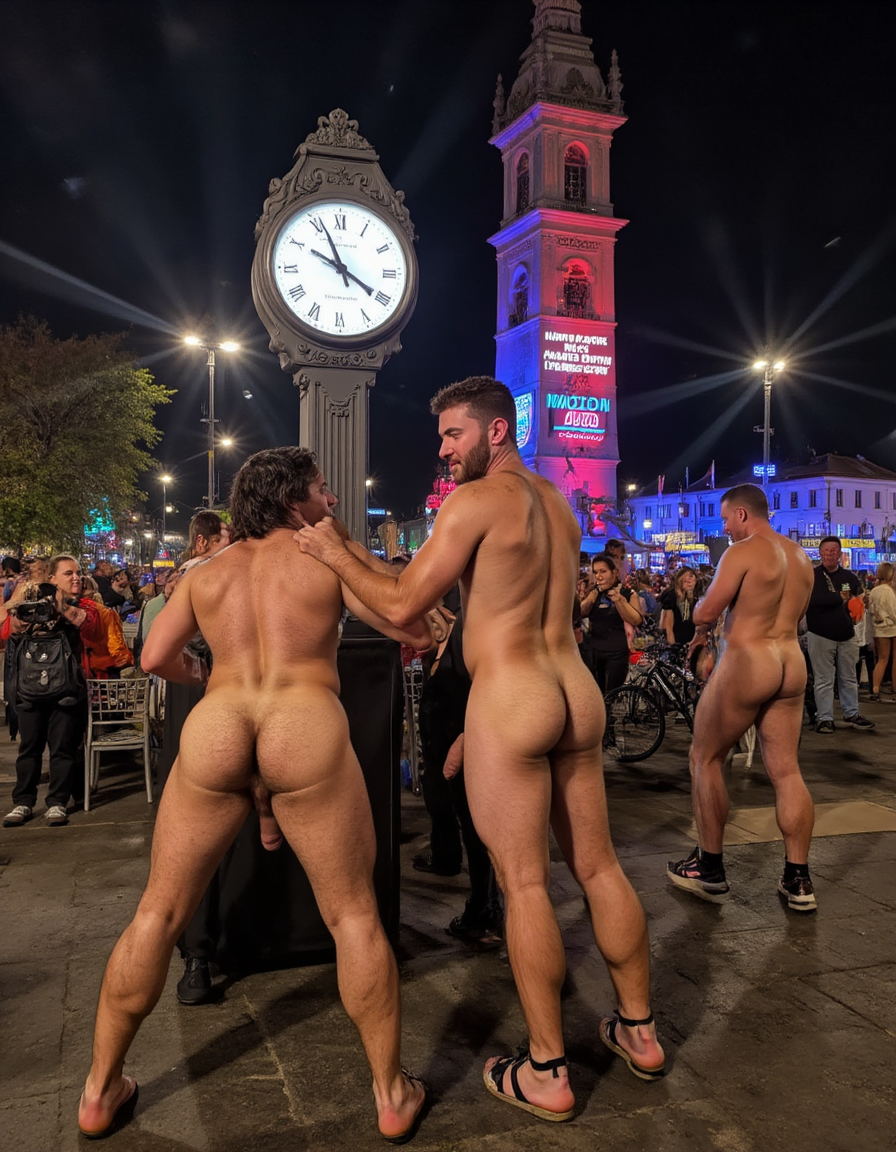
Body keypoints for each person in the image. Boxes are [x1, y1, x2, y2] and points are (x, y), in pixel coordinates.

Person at [296, 376, 665, 1124]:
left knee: (523, 886)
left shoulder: (473, 502)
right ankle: (640, 1030)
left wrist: (332, 549)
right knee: (598, 867)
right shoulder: (557, 504)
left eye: (452, 434)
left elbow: (404, 605)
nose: (442, 449)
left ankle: (547, 1069)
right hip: (575, 691)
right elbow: (467, 591)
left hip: (514, 694)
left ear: (495, 431)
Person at [78, 447, 431, 1143]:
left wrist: (206, 678)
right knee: (353, 916)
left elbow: (153, 657)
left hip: (219, 722)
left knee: (158, 912)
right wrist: (348, 554)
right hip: (304, 722)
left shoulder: (206, 571)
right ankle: (392, 1095)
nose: (331, 501)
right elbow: (411, 628)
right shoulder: (325, 560)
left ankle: (98, 1090)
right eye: (322, 490)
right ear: (294, 500)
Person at [665, 484, 819, 912]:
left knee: (705, 758)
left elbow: (705, 612)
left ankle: (709, 867)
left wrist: (706, 618)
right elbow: (798, 617)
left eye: (726, 519)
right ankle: (798, 878)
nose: (725, 528)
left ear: (743, 515)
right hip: (790, 661)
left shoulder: (742, 552)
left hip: (750, 661)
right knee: (786, 771)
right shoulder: (801, 557)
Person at [2, 556, 103, 828]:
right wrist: (19, 606)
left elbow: (93, 630)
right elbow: (5, 632)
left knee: (63, 748)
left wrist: (61, 607)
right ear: (52, 579)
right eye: (68, 573)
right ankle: (23, 802)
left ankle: (57, 802)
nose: (76, 578)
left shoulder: (84, 606)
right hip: (29, 687)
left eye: (78, 573)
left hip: (66, 688)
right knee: (29, 748)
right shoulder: (30, 602)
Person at [805, 536, 874, 734]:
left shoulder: (849, 577)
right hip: (819, 634)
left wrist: (861, 602)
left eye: (834, 551)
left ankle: (851, 713)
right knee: (823, 679)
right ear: (820, 553)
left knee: (849, 678)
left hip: (846, 634)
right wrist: (838, 598)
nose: (830, 554)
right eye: (826, 551)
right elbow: (812, 601)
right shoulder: (811, 576)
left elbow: (857, 598)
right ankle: (824, 718)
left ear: (840, 553)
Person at [579, 553, 642, 695]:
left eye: (603, 571)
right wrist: (590, 599)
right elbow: (580, 613)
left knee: (612, 695)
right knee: (595, 694)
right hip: (594, 653)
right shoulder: (594, 594)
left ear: (614, 573)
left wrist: (618, 600)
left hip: (617, 654)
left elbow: (636, 620)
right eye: (596, 572)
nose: (599, 576)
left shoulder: (628, 594)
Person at [867, 562, 896, 702]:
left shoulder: (874, 591)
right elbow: (893, 611)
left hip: (878, 628)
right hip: (892, 627)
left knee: (882, 659)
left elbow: (871, 610)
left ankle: (875, 689)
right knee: (895, 659)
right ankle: (895, 688)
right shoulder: (888, 591)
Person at [659, 566, 698, 647]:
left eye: (692, 576)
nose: (690, 580)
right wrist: (672, 646)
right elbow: (667, 626)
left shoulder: (695, 596)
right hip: (675, 642)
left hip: (690, 642)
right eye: (686, 577)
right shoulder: (671, 595)